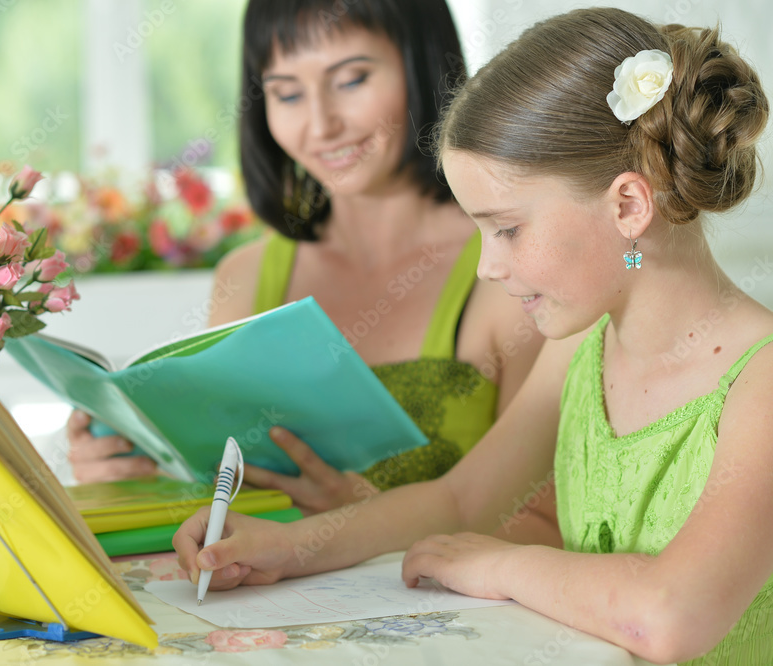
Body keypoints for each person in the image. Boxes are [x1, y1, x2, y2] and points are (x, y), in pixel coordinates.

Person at [173, 7, 773, 664]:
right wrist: (289, 546)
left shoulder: (761, 382)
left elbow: (669, 617)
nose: (487, 266)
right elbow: (461, 499)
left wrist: (502, 565)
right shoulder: (583, 346)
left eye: (508, 228)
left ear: (628, 205)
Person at [68, 0, 546, 517]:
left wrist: (364, 519)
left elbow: (548, 520)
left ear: (423, 63)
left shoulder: (510, 264)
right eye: (287, 93)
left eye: (351, 80)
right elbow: (220, 492)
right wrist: (136, 468)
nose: (321, 125)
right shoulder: (245, 277)